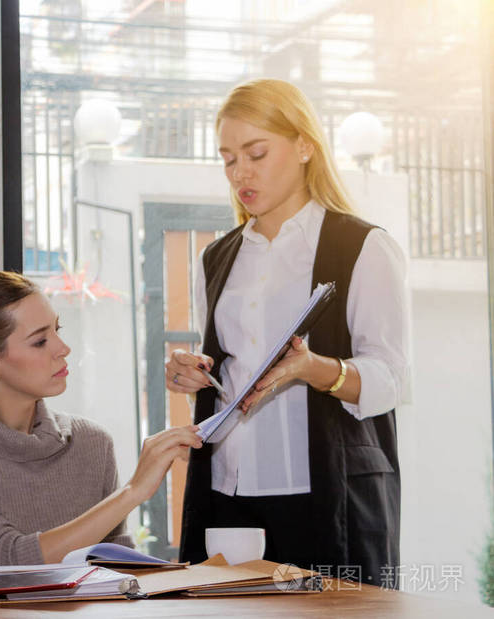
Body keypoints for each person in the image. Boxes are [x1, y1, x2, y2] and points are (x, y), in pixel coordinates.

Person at [166, 78, 409, 587]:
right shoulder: (217, 256)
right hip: (225, 498)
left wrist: (315, 369)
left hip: (325, 497)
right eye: (229, 158)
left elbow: (391, 379)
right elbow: (227, 365)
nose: (241, 172)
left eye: (256, 152)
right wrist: (192, 372)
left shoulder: (363, 246)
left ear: (304, 146)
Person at [0, 271, 201, 576]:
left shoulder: (93, 443)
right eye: (40, 340)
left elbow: (118, 571)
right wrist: (133, 491)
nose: (63, 348)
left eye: (58, 329)